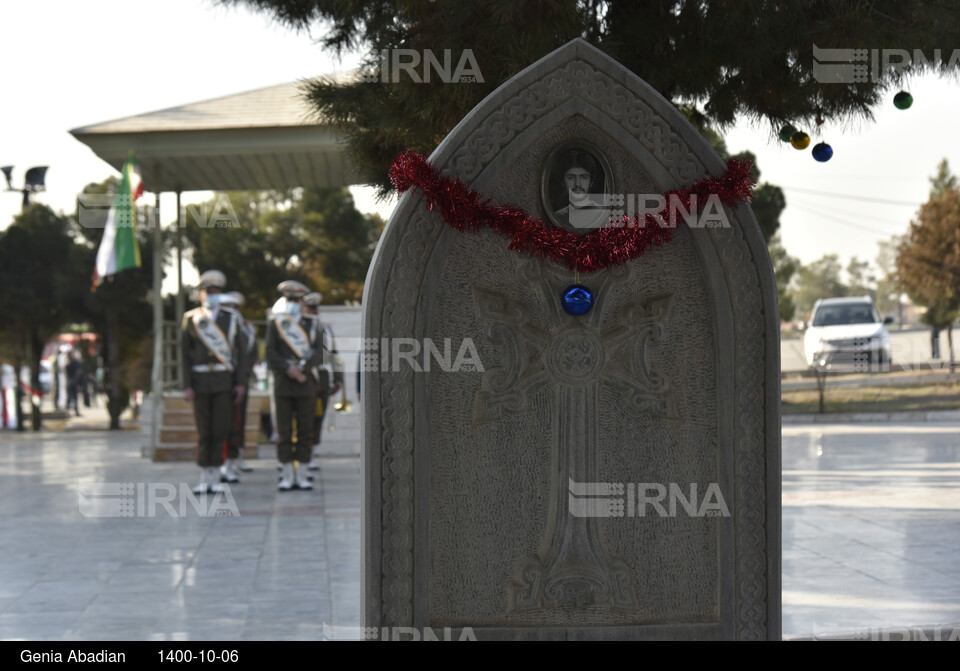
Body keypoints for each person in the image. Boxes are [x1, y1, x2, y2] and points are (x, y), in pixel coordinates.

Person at [181, 270, 249, 495]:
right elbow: (185, 354)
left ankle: (216, 476)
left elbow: (241, 353)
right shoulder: (191, 318)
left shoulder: (231, 317)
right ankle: (203, 476)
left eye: (215, 292)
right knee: (204, 430)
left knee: (220, 429)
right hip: (200, 381)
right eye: (207, 292)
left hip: (223, 380)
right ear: (200, 295)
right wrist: (187, 385)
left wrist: (240, 382)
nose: (211, 296)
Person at [266, 280, 324, 491]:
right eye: (289, 299)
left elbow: (319, 352)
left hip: (305, 384)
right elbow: (270, 352)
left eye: (296, 299)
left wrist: (302, 368)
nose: (292, 303)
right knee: (284, 430)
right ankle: (287, 475)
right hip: (284, 384)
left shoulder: (313, 324)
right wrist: (289, 369)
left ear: (302, 302)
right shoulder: (276, 323)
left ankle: (303, 474)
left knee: (305, 430)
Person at [302, 291, 344, 471]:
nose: (313, 311)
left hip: (323, 378)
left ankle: (311, 454)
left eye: (315, 308)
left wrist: (338, 380)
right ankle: (302, 456)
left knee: (318, 418)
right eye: (310, 308)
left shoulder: (325, 328)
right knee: (305, 417)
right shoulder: (300, 328)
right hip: (307, 377)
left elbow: (333, 355)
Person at [218, 291, 257, 482]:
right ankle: (224, 462)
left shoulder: (246, 328)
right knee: (224, 423)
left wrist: (243, 374)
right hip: (223, 380)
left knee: (238, 421)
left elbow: (251, 352)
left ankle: (236, 458)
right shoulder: (218, 327)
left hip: (240, 380)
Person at [553, 150, 607, 230]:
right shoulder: (558, 217)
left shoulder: (602, 214)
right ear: (563, 182)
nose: (577, 184)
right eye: (571, 178)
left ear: (591, 182)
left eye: (583, 177)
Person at [65, 351, 85, 417]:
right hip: (71, 382)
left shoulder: (73, 363)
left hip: (73, 382)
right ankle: (68, 411)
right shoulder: (70, 363)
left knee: (74, 397)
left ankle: (75, 411)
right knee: (71, 397)